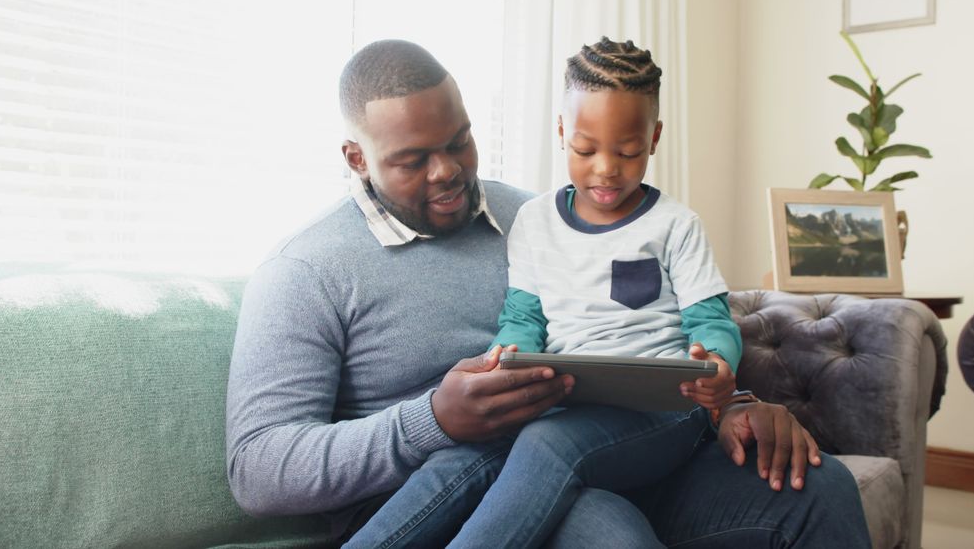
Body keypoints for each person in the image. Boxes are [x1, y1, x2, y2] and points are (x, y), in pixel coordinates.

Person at [225, 38, 872, 548]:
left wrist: (733, 398)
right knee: (606, 532)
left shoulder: (531, 214)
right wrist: (432, 421)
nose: (448, 170)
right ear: (356, 156)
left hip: (613, 444)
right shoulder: (304, 270)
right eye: (413, 158)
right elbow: (257, 470)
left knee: (820, 487)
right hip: (458, 487)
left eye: (460, 142)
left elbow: (653, 319)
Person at [344, 37, 746, 549]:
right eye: (585, 149)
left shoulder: (675, 225)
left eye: (627, 152)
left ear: (655, 137)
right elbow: (523, 318)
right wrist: (505, 354)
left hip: (669, 411)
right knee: (464, 458)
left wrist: (716, 364)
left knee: (547, 444)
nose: (606, 168)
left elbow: (712, 323)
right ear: (561, 132)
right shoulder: (534, 221)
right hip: (569, 405)